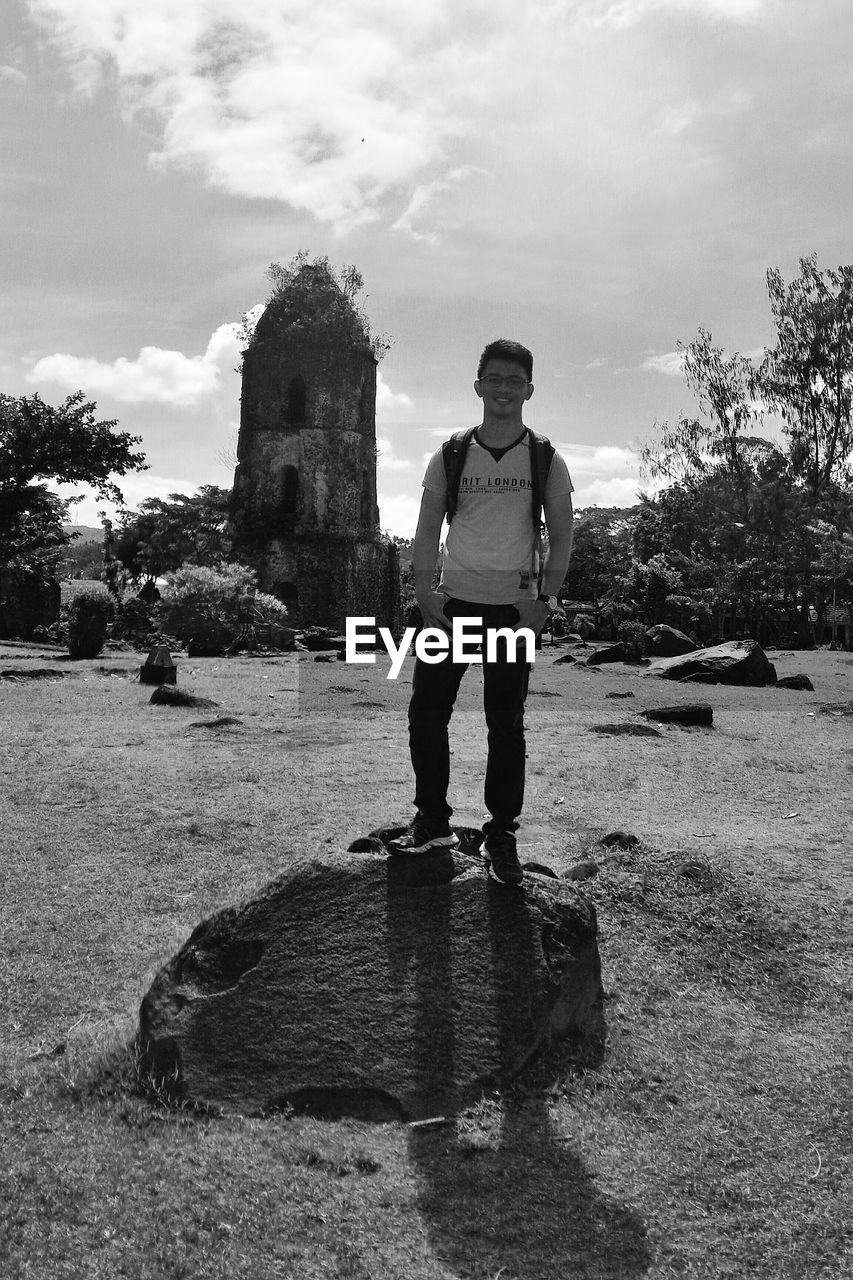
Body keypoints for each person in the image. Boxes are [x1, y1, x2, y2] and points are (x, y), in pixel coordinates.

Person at [389, 339, 574, 886]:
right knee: (427, 714)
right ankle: (433, 821)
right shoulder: (451, 452)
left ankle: (502, 834)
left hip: (514, 611)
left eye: (512, 381)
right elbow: (426, 528)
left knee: (506, 723)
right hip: (453, 606)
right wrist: (425, 594)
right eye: (492, 379)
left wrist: (545, 604)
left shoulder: (544, 457)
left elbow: (562, 535)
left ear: (529, 390)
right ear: (477, 387)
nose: (502, 389)